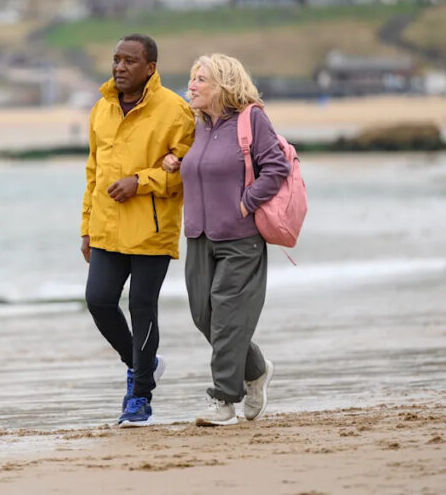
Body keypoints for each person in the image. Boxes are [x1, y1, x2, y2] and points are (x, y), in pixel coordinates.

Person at [162, 53, 290, 426]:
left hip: (240, 238)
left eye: (201, 79)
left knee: (227, 318)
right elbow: (199, 165)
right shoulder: (197, 125)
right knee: (205, 316)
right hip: (199, 235)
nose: (192, 86)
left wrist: (246, 204)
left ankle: (223, 400)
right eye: (192, 78)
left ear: (224, 85)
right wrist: (174, 162)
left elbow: (276, 167)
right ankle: (256, 369)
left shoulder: (252, 119)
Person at [81, 33, 195, 427]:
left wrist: (140, 182)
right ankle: (143, 364)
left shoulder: (176, 111)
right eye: (116, 59)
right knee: (98, 301)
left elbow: (186, 173)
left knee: (142, 308)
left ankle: (139, 397)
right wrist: (86, 228)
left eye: (130, 61)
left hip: (151, 228)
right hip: (106, 227)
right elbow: (93, 173)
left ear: (150, 68)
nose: (120, 67)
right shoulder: (102, 108)